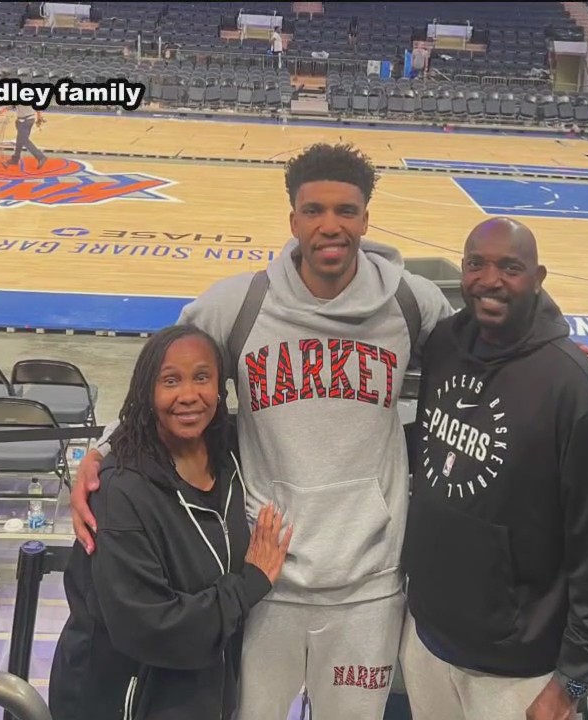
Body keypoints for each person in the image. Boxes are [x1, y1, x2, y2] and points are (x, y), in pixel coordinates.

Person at [71, 143, 458, 719]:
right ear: (293, 219)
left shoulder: (408, 301)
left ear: (366, 219)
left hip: (369, 586)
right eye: (314, 210)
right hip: (260, 579)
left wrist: (566, 351)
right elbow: (162, 377)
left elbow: (487, 349)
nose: (331, 225)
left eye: (346, 211)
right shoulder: (242, 303)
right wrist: (100, 452)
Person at [398, 217, 588, 720]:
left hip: (519, 669)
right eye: (476, 264)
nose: (490, 280)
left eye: (511, 267)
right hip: (427, 638)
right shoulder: (444, 345)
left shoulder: (576, 390)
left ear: (539, 277)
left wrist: (569, 682)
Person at [49, 324, 294, 720]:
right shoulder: (119, 493)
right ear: (148, 391)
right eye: (170, 381)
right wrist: (250, 582)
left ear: (220, 388)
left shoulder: (230, 455)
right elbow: (150, 628)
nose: (188, 395)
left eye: (201, 377)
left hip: (200, 689)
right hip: (123, 698)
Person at [0, 104, 47, 170]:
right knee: (20, 140)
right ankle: (15, 159)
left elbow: (6, 107)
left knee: (24, 140)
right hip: (30, 120)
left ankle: (41, 157)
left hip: (23, 121)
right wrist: (39, 117)